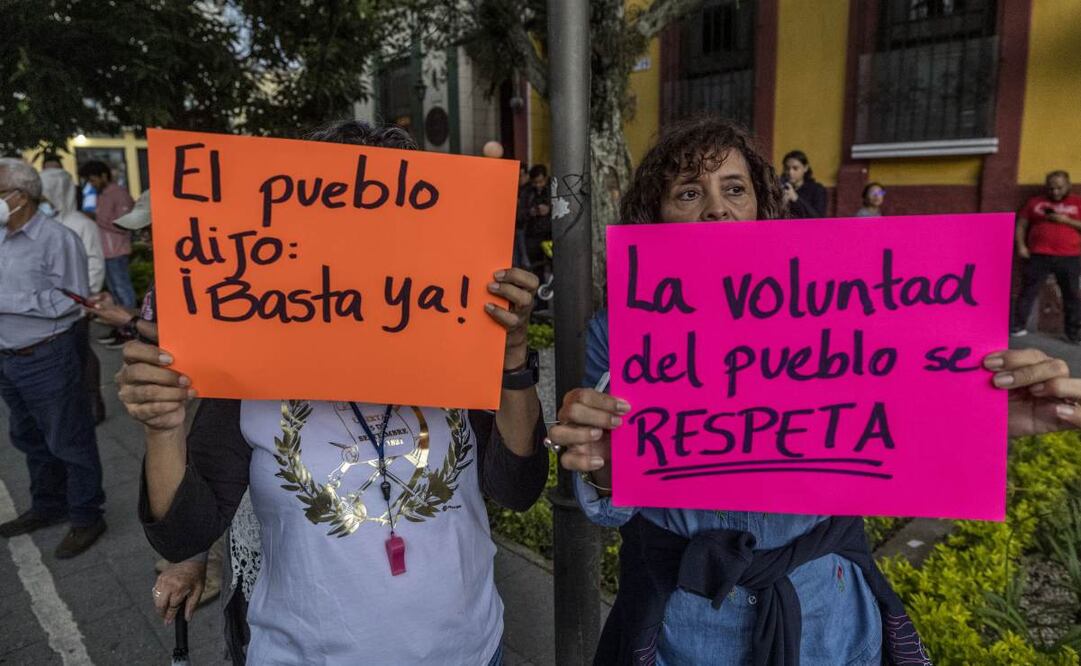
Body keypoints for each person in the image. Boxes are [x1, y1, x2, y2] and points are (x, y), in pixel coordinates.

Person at [548, 117, 1081, 665]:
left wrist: (985, 412)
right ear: (654, 217)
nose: (716, 208)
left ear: (761, 207)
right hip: (690, 622)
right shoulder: (617, 333)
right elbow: (612, 498)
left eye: (734, 189)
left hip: (827, 607)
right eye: (689, 192)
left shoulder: (835, 311)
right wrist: (602, 462)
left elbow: (898, 415)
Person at [120, 121, 549, 665]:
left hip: (469, 648)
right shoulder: (248, 366)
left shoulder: (455, 341)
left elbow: (517, 487)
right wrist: (164, 428)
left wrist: (511, 359)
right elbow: (183, 533)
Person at [0, 158, 107, 557]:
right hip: (9, 358)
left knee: (69, 438)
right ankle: (47, 505)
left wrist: (9, 302)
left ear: (21, 197)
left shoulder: (57, 238)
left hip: (47, 354)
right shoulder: (2, 238)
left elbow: (73, 300)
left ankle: (86, 515)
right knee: (27, 438)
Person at [40, 166, 108, 423]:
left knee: (82, 353)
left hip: (77, 304)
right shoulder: (46, 224)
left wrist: (87, 297)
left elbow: (95, 262)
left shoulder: (81, 225)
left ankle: (93, 401)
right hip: (49, 306)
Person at [1010, 170, 1081, 340]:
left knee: (1071, 294)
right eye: (1051, 188)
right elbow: (1021, 225)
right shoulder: (1035, 202)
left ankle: (1074, 333)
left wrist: (1066, 221)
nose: (1055, 192)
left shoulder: (1078, 203)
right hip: (1039, 255)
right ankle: (1017, 326)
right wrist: (1021, 246)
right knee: (1028, 291)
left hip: (1070, 256)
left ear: (1068, 185)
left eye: (1059, 188)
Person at [78, 160, 136, 340]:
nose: (92, 184)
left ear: (104, 176)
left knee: (123, 291)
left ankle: (130, 330)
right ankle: (121, 327)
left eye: (93, 179)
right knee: (115, 292)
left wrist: (95, 218)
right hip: (107, 252)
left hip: (117, 251)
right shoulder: (101, 194)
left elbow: (126, 223)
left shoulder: (119, 194)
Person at [516, 164, 551, 270]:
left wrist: (549, 209)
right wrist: (530, 212)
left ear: (545, 178)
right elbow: (519, 216)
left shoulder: (552, 189)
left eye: (541, 182)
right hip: (533, 236)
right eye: (535, 182)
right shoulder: (527, 192)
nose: (538, 185)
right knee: (536, 269)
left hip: (550, 235)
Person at [781, 149, 828, 218]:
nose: (790, 172)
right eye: (787, 168)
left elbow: (818, 218)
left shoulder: (817, 190)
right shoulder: (782, 188)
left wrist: (796, 198)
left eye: (795, 168)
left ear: (805, 168)